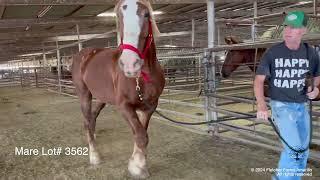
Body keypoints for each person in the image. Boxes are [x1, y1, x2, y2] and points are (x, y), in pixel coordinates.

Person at [254, 11, 320, 180]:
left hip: (302, 105)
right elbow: (259, 81)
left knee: (303, 149)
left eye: (294, 27)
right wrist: (262, 106)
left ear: (303, 30)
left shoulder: (311, 53)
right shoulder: (272, 53)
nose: (288, 30)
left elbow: (317, 77)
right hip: (281, 106)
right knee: (293, 147)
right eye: (286, 26)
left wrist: (315, 89)